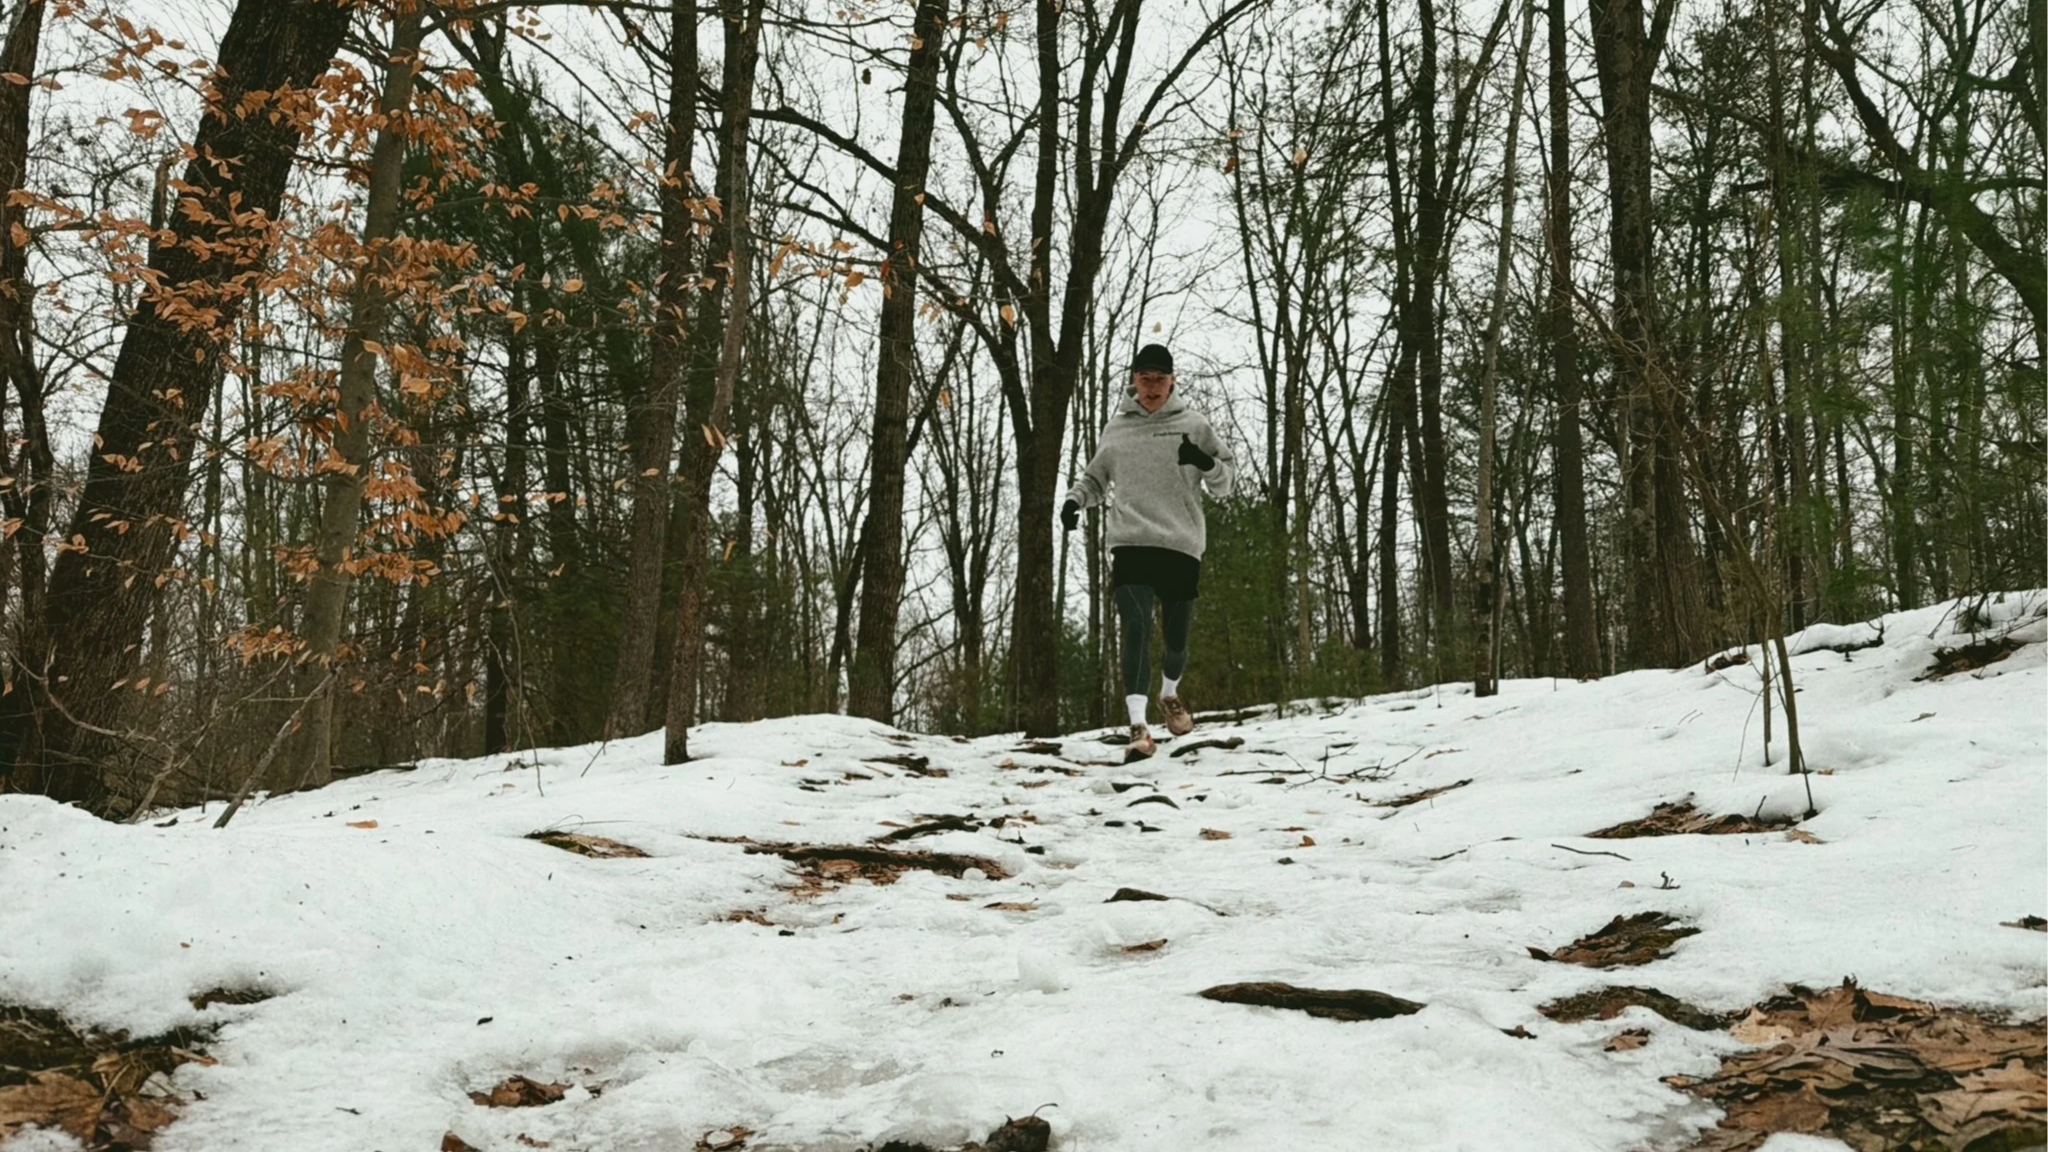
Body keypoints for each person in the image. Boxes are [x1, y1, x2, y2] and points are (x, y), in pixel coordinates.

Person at [1061, 343, 1235, 760]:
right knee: (1135, 626)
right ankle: (1138, 726)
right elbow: (1096, 479)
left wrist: (1204, 462)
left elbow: (1226, 482)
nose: (1153, 387)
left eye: (1160, 378)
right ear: (1134, 379)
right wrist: (1073, 501)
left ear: (1173, 380)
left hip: (1180, 543)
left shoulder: (1194, 424)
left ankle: (1169, 694)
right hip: (1132, 542)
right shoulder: (1117, 429)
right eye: (1145, 378)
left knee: (1176, 641)